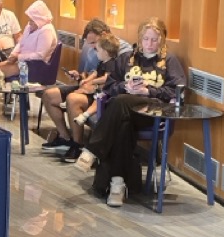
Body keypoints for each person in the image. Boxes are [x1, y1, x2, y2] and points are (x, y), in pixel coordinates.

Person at [78, 17, 185, 207]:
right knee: (123, 124)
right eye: (146, 39)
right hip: (126, 113)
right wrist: (125, 86)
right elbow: (110, 86)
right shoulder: (127, 59)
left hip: (151, 113)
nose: (149, 44)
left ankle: (93, 150)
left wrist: (148, 91)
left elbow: (176, 90)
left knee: (120, 103)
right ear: (140, 39)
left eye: (154, 40)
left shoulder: (169, 61)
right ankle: (117, 186)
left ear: (162, 41)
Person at [39, 18, 112, 154]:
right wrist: (79, 76)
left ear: (104, 35)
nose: (91, 47)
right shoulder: (92, 50)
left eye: (94, 43)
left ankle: (77, 145)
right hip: (87, 86)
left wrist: (90, 83)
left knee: (72, 99)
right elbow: (89, 72)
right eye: (89, 43)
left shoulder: (116, 49)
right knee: (48, 95)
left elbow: (111, 77)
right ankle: (65, 138)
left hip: (100, 92)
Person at [58, 31, 123, 164]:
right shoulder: (102, 62)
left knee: (94, 96)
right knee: (83, 87)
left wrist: (92, 82)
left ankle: (85, 114)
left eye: (97, 49)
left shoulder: (112, 63)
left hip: (105, 92)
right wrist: (88, 79)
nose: (95, 51)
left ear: (105, 51)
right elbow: (95, 73)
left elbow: (106, 77)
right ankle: (74, 110)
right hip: (97, 90)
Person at [0, 0, 58, 81]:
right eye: (30, 19)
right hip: (22, 62)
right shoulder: (30, 26)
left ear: (40, 19)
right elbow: (21, 43)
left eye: (32, 20)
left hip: (34, 66)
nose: (29, 22)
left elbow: (40, 56)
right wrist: (13, 54)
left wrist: (19, 57)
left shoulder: (47, 30)